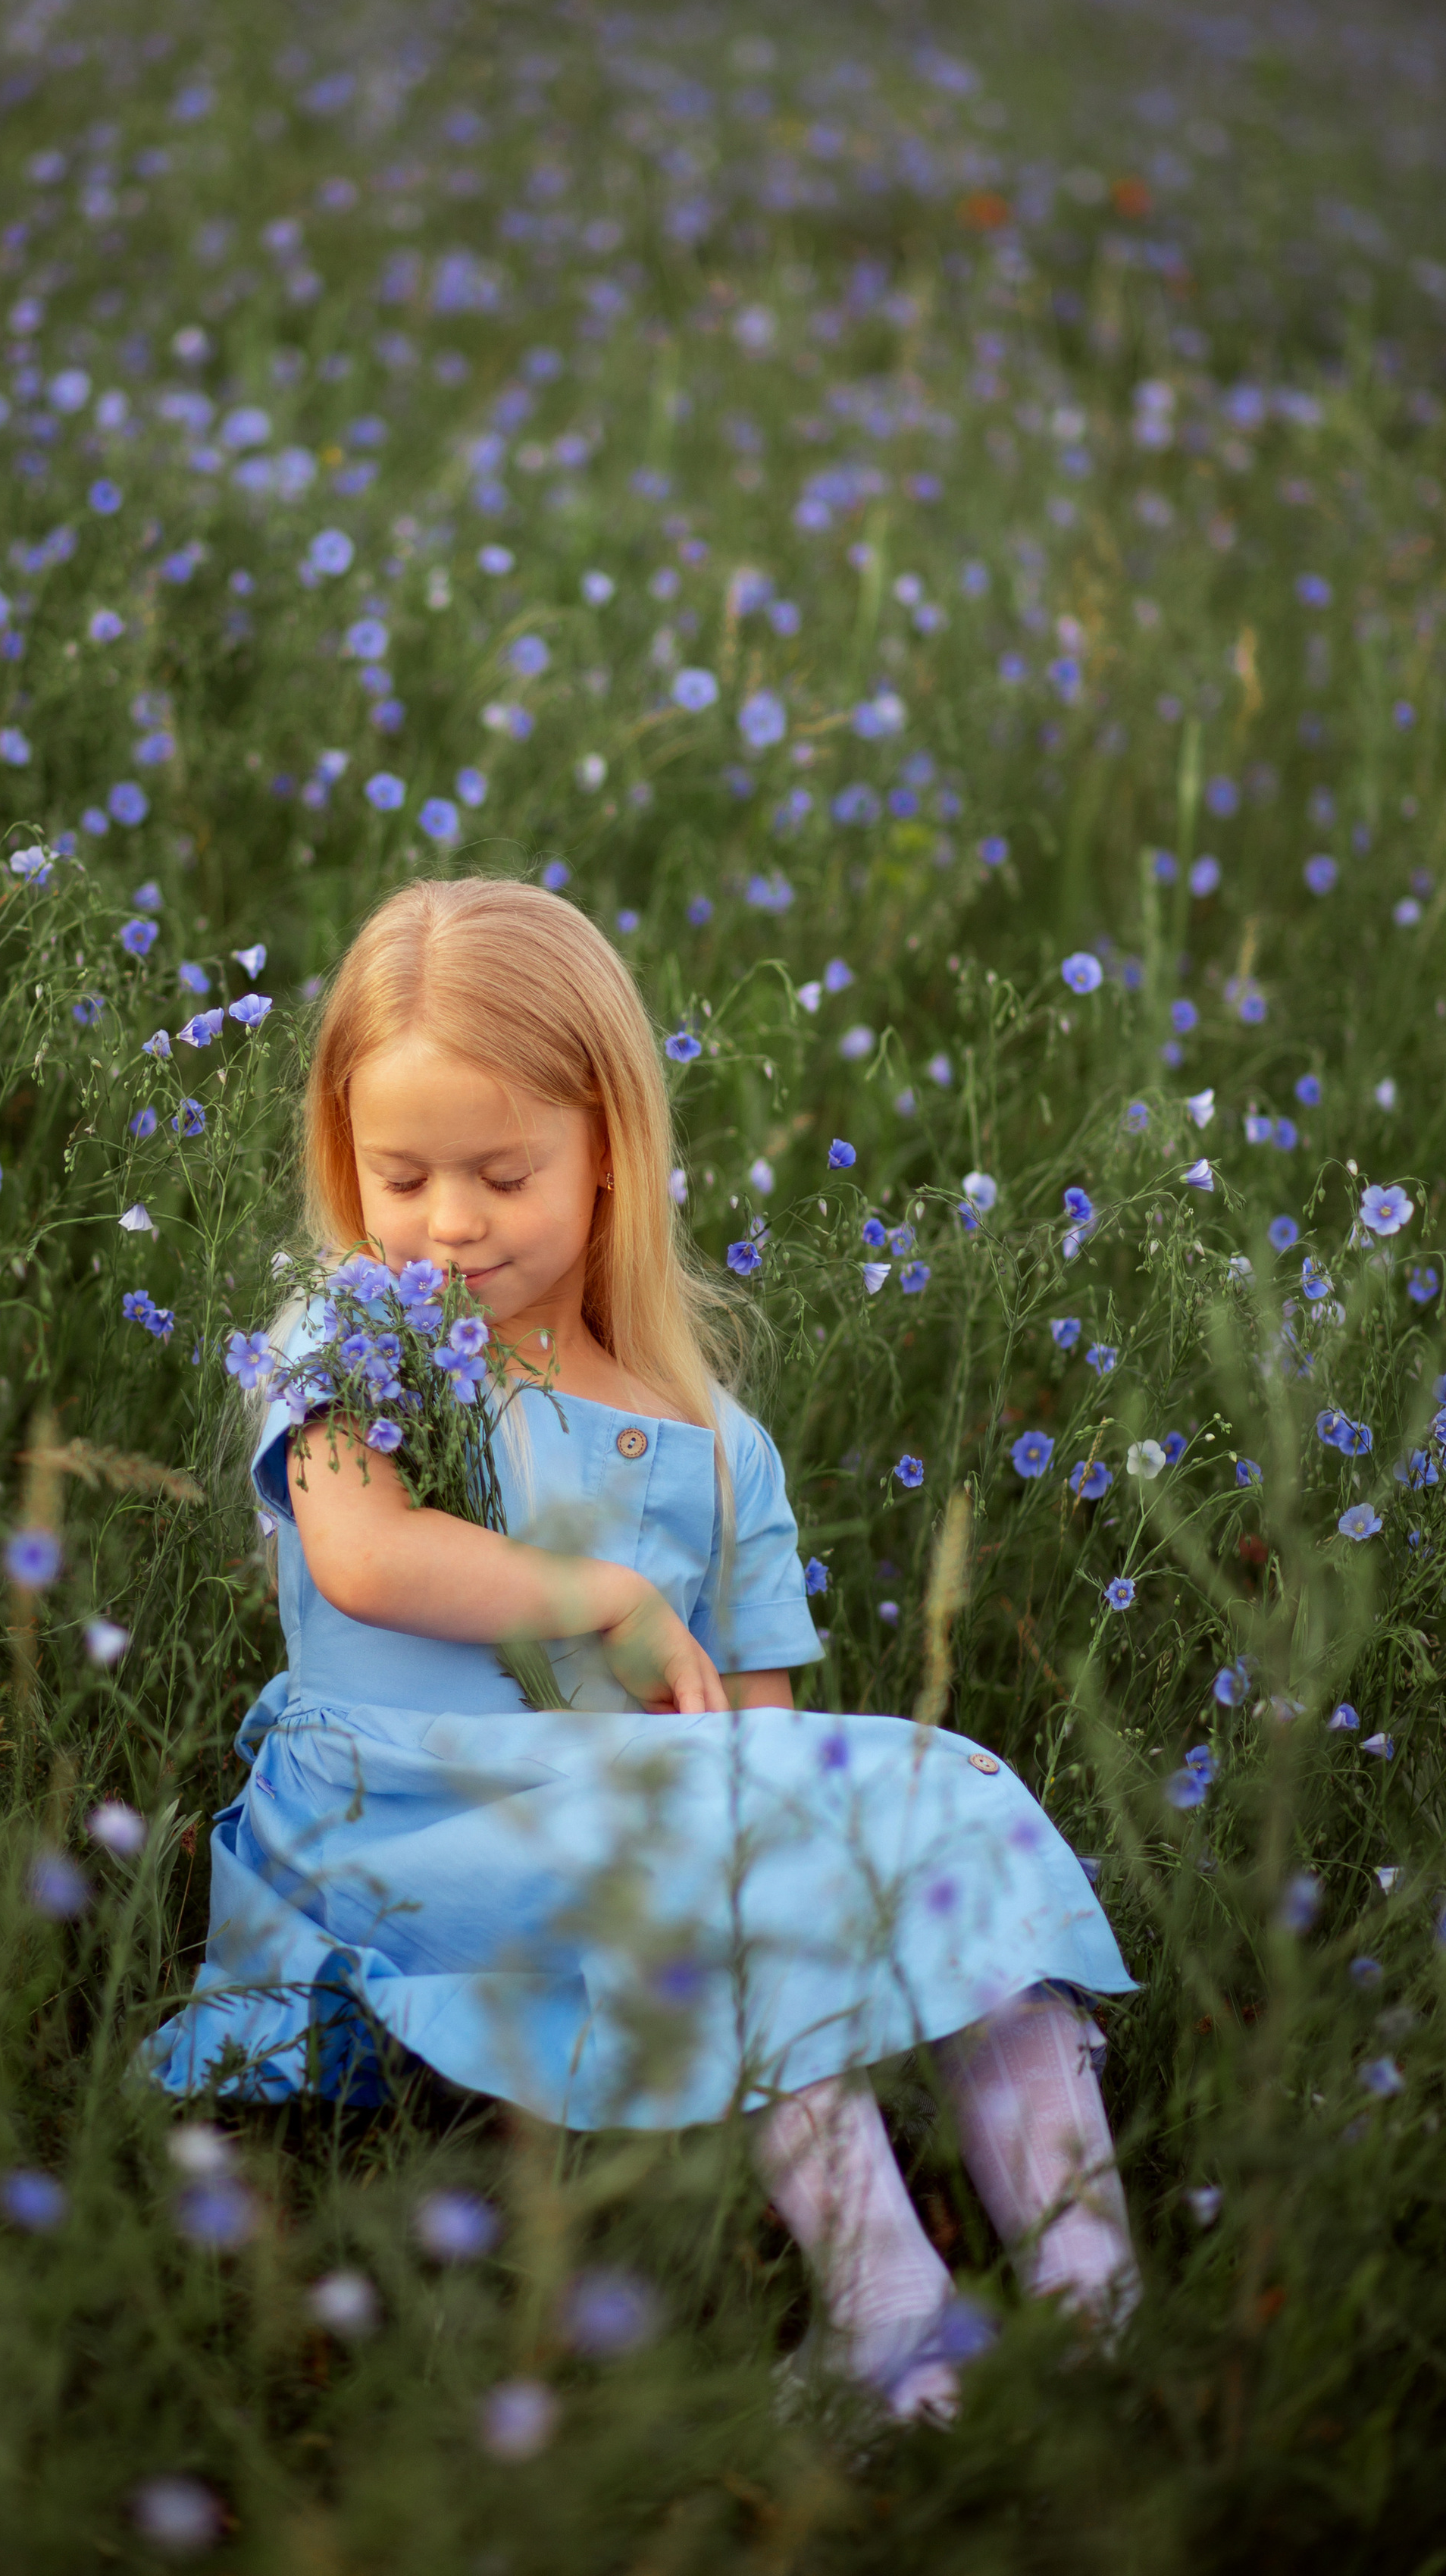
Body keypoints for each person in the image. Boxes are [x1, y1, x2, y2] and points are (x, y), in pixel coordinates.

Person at [146, 877, 1137, 2418]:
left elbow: (759, 1742)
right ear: (343, 1162)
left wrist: (833, 1845)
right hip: (395, 1814)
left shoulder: (713, 1440)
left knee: (952, 1795)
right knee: (714, 1845)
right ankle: (894, 2317)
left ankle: (1094, 2305)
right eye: (399, 1175)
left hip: (623, 1826)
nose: (447, 1222)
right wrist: (598, 1598)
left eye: (500, 1172)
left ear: (607, 1155)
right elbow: (362, 1553)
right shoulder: (349, 1332)